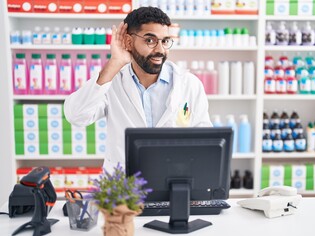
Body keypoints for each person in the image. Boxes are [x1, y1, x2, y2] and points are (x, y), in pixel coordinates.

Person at [64, 7, 212, 171]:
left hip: (173, 182)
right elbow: (76, 116)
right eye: (150, 40)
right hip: (124, 187)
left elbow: (205, 142)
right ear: (128, 42)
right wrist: (115, 63)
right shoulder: (111, 81)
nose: (160, 50)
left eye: (165, 41)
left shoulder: (189, 84)